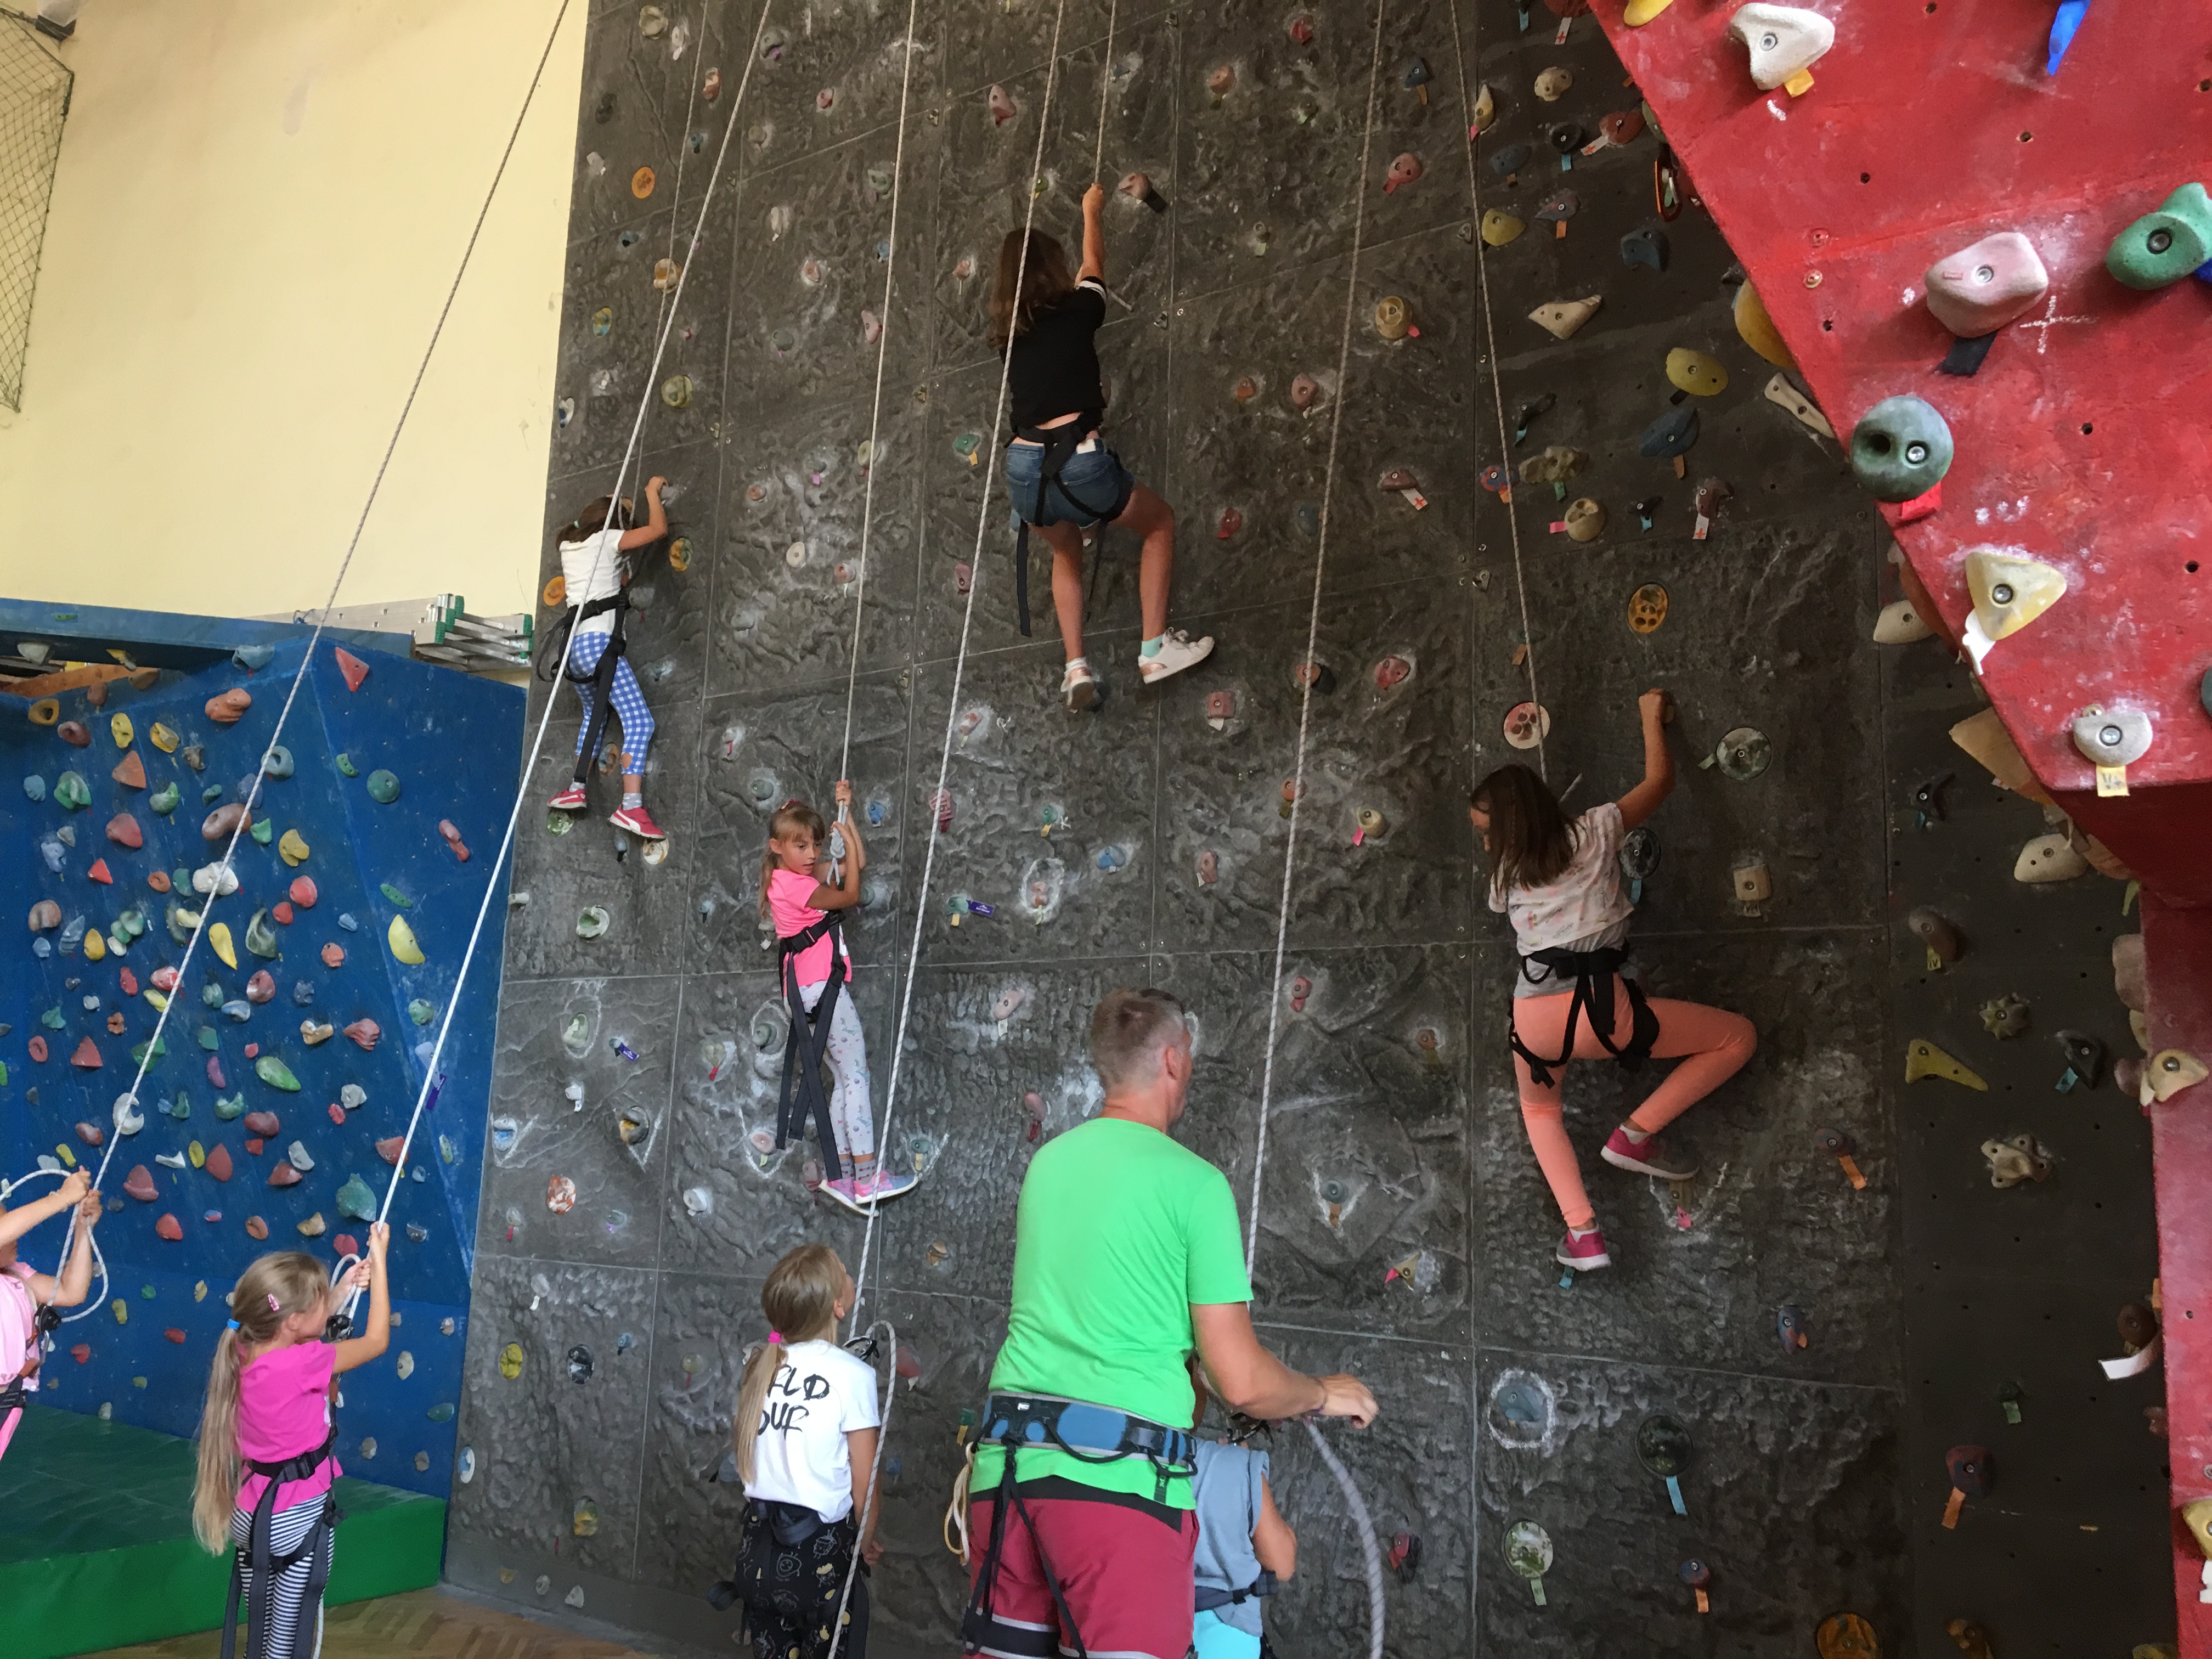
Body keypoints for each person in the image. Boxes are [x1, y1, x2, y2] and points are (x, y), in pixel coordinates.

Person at [961, 988, 1376, 1659]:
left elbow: (1107, 1312)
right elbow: (1240, 1380)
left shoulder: (1048, 1165)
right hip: (1115, 1490)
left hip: (1006, 1474)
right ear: (1175, 1061)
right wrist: (1322, 1393)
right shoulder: (1195, 1185)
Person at [1471, 689, 1757, 1272]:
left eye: (1487, 832)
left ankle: (1584, 1236)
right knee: (1737, 1038)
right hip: (1604, 1011)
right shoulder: (1596, 830)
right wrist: (1651, 716)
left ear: (1511, 830)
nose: (1486, 844)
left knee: (1541, 1114)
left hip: (1534, 1017)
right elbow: (1660, 782)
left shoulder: (1504, 876)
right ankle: (1635, 1135)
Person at [992, 185, 1213, 712]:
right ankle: (1154, 651)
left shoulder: (1008, 338)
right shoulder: (1080, 309)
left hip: (1024, 471)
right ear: (1054, 269)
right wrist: (1091, 213)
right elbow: (1094, 263)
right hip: (1079, 464)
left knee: (1065, 550)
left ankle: (1076, 668)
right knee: (1158, 524)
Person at [193, 1225, 391, 1659]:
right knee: (286, 1644)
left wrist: (340, 1291)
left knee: (262, 1635)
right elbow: (377, 1341)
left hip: (251, 1515)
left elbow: (295, 1323)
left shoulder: (241, 1348)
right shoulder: (304, 1362)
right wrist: (380, 1260)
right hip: (295, 1517)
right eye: (318, 1303)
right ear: (293, 1321)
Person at [717, 1245, 883, 1659]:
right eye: (845, 1271)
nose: (850, 1274)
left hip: (756, 1558)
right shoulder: (854, 1375)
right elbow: (865, 1486)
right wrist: (865, 1543)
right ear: (838, 1306)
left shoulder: (760, 1367)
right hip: (818, 1564)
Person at [763, 786, 916, 1214]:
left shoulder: (796, 878)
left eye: (815, 845)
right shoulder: (794, 887)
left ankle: (845, 1175)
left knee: (845, 1079)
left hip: (806, 993)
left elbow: (856, 865)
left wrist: (845, 815)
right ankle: (867, 1178)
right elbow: (849, 895)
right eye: (801, 846)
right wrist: (843, 839)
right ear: (777, 847)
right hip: (819, 989)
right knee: (857, 1078)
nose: (812, 854)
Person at [544, 474, 670, 840]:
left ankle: (576, 787)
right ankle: (631, 807)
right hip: (600, 645)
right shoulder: (609, 539)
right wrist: (650, 493)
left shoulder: (569, 546)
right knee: (640, 723)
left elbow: (612, 583)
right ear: (614, 523)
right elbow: (657, 530)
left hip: (572, 651)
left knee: (594, 715)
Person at [1188, 1362, 1295, 1659]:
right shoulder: (1229, 1466)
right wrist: (1247, 1476)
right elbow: (1282, 1564)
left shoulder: (1102, 1459)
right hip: (1226, 1641)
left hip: (1139, 1635)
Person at [0, 1169, 101, 1462]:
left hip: (8, 1400)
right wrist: (61, 1198)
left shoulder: (17, 1277)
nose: (16, 1235)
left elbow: (71, 1291)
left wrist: (83, 1230)